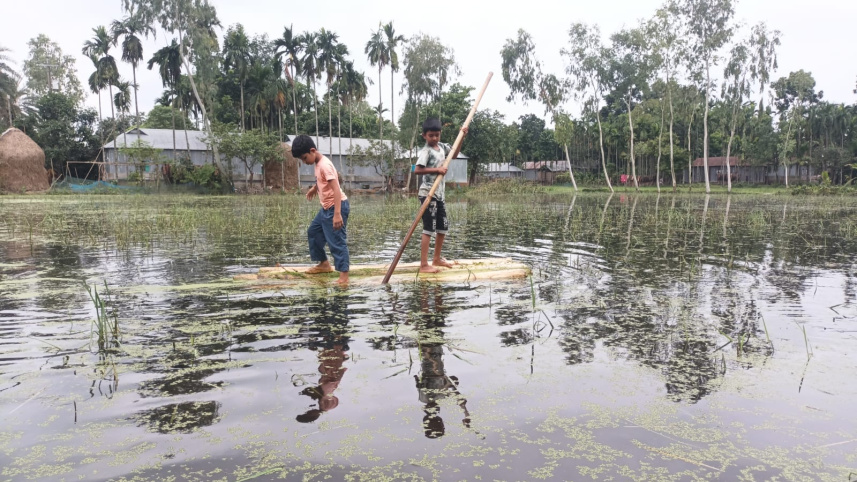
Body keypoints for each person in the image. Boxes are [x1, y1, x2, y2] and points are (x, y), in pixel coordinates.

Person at [291, 134, 350, 285]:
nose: (304, 162)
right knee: (313, 232)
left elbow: (336, 188)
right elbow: (323, 180)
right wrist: (314, 188)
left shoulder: (324, 164)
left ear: (312, 150)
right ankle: (324, 264)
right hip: (326, 208)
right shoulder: (318, 164)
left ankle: (344, 276)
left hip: (336, 207)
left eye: (304, 158)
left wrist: (337, 214)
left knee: (336, 240)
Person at [414, 119, 468, 274]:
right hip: (428, 194)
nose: (434, 138)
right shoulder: (426, 151)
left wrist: (462, 136)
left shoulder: (443, 147)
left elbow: (455, 154)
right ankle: (424, 264)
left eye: (437, 135)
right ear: (424, 135)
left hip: (439, 195)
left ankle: (436, 258)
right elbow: (417, 170)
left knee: (442, 227)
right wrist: (436, 170)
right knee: (428, 228)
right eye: (431, 136)